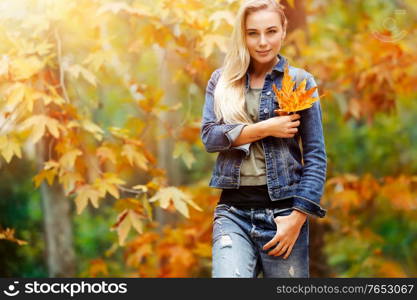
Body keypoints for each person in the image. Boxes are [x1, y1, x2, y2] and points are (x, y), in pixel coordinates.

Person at [200, 0, 327, 278]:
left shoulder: (301, 82)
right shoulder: (221, 81)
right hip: (233, 212)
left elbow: (316, 158)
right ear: (242, 35)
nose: (262, 42)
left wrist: (298, 217)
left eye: (270, 31)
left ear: (283, 30)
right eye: (252, 33)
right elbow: (210, 137)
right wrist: (266, 128)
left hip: (284, 214)